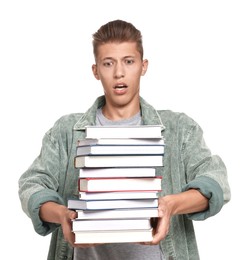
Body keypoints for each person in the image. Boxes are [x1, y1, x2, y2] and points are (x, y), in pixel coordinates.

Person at [18, 19, 231, 260]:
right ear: (96, 70)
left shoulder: (179, 129)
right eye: (108, 63)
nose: (119, 73)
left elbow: (216, 182)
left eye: (128, 62)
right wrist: (63, 215)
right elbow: (32, 185)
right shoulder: (66, 131)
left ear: (143, 65)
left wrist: (170, 205)